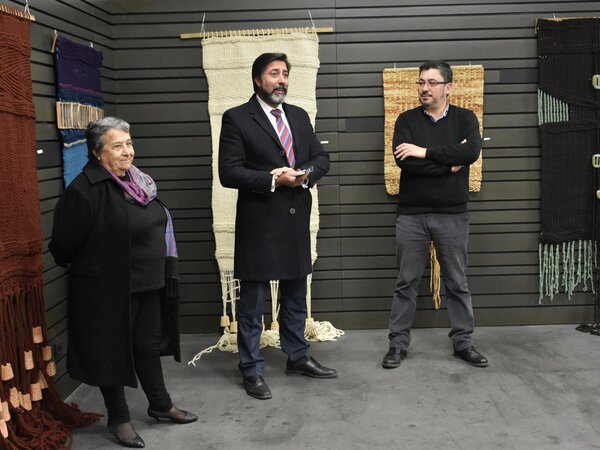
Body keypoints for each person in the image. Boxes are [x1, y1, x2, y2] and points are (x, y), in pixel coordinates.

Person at [49, 117, 197, 448]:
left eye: (129, 144)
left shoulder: (139, 182)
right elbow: (63, 246)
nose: (127, 151)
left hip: (149, 283)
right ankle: (119, 418)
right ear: (96, 152)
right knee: (111, 352)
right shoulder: (85, 191)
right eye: (117, 146)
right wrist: (97, 269)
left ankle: (160, 404)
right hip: (107, 290)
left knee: (147, 346)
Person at [218, 52, 337, 400]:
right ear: (258, 79)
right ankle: (251, 369)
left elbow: (321, 158)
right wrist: (273, 179)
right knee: (253, 303)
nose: (281, 80)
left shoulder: (298, 115)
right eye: (274, 73)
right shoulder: (237, 118)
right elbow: (229, 172)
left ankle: (298, 357)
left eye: (285, 73)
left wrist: (304, 174)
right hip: (259, 223)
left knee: (296, 296)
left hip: (295, 219)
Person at [382, 60, 488, 369]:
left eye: (431, 82)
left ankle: (463, 343)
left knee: (457, 282)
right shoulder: (406, 120)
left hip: (452, 214)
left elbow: (471, 152)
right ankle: (397, 345)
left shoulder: (466, 118)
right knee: (406, 283)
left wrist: (425, 152)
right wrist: (448, 164)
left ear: (448, 87)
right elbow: (405, 162)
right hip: (411, 215)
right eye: (421, 82)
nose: (424, 88)